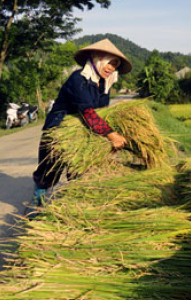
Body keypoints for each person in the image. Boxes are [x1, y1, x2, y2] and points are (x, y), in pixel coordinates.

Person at [28, 39, 133, 213]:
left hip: (84, 131)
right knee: (49, 172)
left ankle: (74, 209)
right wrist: (112, 135)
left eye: (115, 65)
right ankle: (35, 208)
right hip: (59, 130)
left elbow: (101, 114)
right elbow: (88, 112)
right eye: (109, 63)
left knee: (79, 170)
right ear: (98, 59)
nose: (111, 68)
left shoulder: (103, 85)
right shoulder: (78, 79)